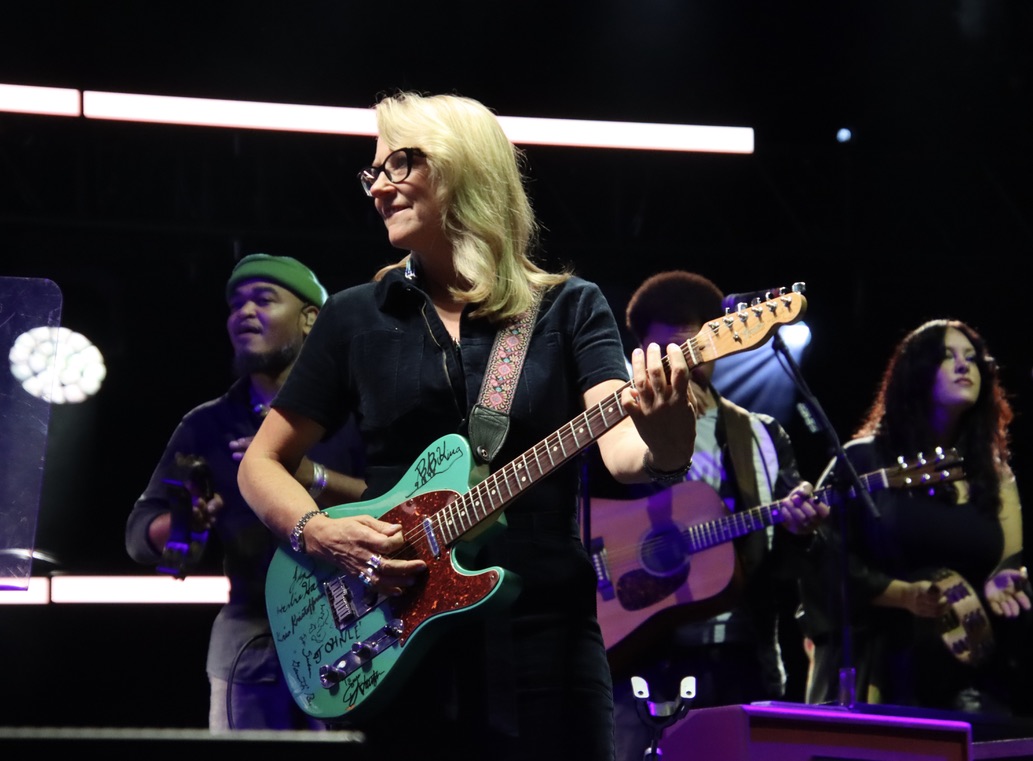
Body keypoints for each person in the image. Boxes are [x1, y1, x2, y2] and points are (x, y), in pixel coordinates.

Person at [236, 91, 698, 760]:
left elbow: (626, 452)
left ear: (463, 167)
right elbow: (261, 464)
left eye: (399, 164)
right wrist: (319, 532)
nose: (379, 188)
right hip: (391, 636)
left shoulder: (568, 307)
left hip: (545, 640)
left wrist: (668, 429)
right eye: (373, 173)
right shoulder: (355, 316)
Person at [126, 253, 366, 731]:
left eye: (263, 300)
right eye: (236, 304)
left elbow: (401, 500)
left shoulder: (356, 408)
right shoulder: (208, 424)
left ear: (310, 319)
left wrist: (311, 476)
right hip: (252, 639)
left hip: (362, 621)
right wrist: (183, 520)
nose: (245, 313)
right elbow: (139, 536)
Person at [599, 270, 827, 761]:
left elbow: (784, 562)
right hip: (638, 653)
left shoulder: (760, 435)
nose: (685, 365)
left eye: (695, 351)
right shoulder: (616, 428)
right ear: (640, 352)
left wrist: (799, 529)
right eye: (669, 352)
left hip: (738, 655)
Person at [801, 318, 1031, 714]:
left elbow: (1007, 560)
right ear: (916, 373)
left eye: (972, 358)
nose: (964, 365)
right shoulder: (864, 460)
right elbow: (822, 558)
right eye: (947, 357)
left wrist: (1003, 580)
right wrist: (901, 595)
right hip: (883, 668)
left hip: (970, 679)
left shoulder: (995, 475)